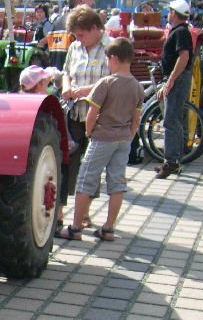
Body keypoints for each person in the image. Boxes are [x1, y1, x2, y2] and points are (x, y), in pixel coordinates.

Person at [57, 37, 144, 241]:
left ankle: (75, 228)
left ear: (113, 59)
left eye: (107, 60)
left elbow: (92, 113)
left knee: (85, 180)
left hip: (102, 137)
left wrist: (89, 133)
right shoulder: (137, 87)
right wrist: (130, 135)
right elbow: (136, 118)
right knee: (117, 183)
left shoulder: (105, 83)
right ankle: (108, 228)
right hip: (123, 139)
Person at [55, 6, 110, 235]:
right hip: (74, 113)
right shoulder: (75, 47)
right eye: (76, 35)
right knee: (65, 162)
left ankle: (84, 213)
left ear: (95, 28)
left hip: (98, 117)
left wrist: (83, 91)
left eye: (81, 34)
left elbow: (110, 81)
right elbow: (66, 72)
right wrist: (67, 86)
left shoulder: (110, 47)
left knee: (91, 167)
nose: (78, 39)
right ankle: (58, 213)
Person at [155, 0, 193, 179]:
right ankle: (174, 161)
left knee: (170, 121)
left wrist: (170, 81)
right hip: (178, 78)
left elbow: (183, 57)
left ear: (173, 13)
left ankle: (170, 162)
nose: (167, 14)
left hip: (178, 79)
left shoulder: (181, 32)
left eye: (169, 11)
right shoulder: (181, 31)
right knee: (175, 120)